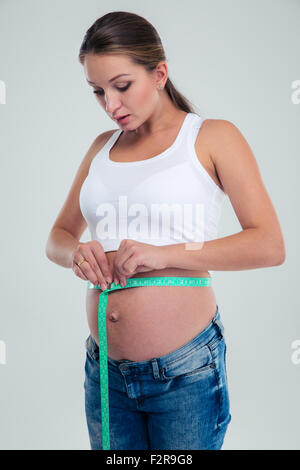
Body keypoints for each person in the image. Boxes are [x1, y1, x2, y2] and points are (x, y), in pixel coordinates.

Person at [45, 11, 286, 450]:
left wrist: (166, 253)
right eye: (98, 92)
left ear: (159, 74)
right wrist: (76, 252)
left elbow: (269, 245)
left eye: (122, 86)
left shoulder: (212, 137)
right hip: (105, 373)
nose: (111, 105)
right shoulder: (101, 147)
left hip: (184, 370)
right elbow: (58, 236)